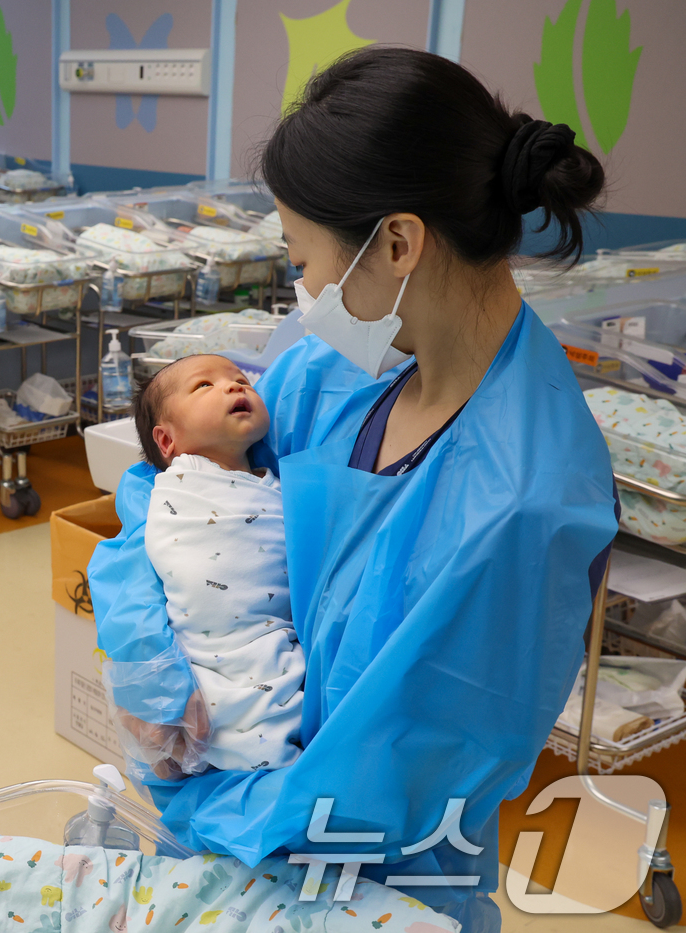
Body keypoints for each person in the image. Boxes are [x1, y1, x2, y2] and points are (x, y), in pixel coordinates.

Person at [88, 46, 618, 933]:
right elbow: (177, 485)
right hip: (236, 827)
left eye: (304, 256)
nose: (306, 288)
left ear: (398, 244)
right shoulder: (330, 375)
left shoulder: (522, 504)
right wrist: (139, 627)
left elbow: (386, 787)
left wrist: (202, 807)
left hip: (370, 884)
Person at [128, 354, 304, 778]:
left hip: (265, 638)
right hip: (206, 651)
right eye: (204, 385)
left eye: (242, 379)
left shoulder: (275, 485)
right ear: (167, 442)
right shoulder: (180, 488)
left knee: (277, 696)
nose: (235, 386)